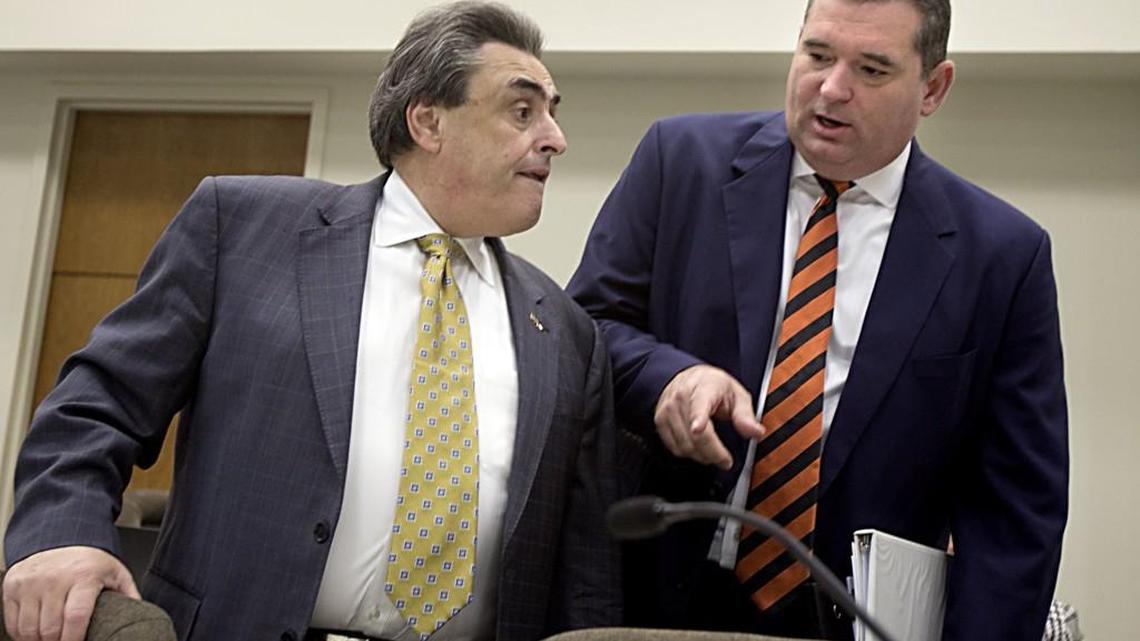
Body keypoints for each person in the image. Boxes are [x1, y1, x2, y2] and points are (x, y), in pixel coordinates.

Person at [4, 2, 622, 640]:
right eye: (523, 112)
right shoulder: (243, 228)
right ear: (428, 121)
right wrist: (60, 537)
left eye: (552, 113)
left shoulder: (567, 331)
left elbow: (586, 577)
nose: (555, 137)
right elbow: (96, 404)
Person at [567, 0, 1067, 639]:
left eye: (873, 69)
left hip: (848, 616)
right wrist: (668, 378)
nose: (832, 89)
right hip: (655, 595)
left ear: (933, 88)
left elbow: (1015, 511)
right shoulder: (680, 161)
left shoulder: (1000, 256)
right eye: (818, 55)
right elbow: (586, 330)